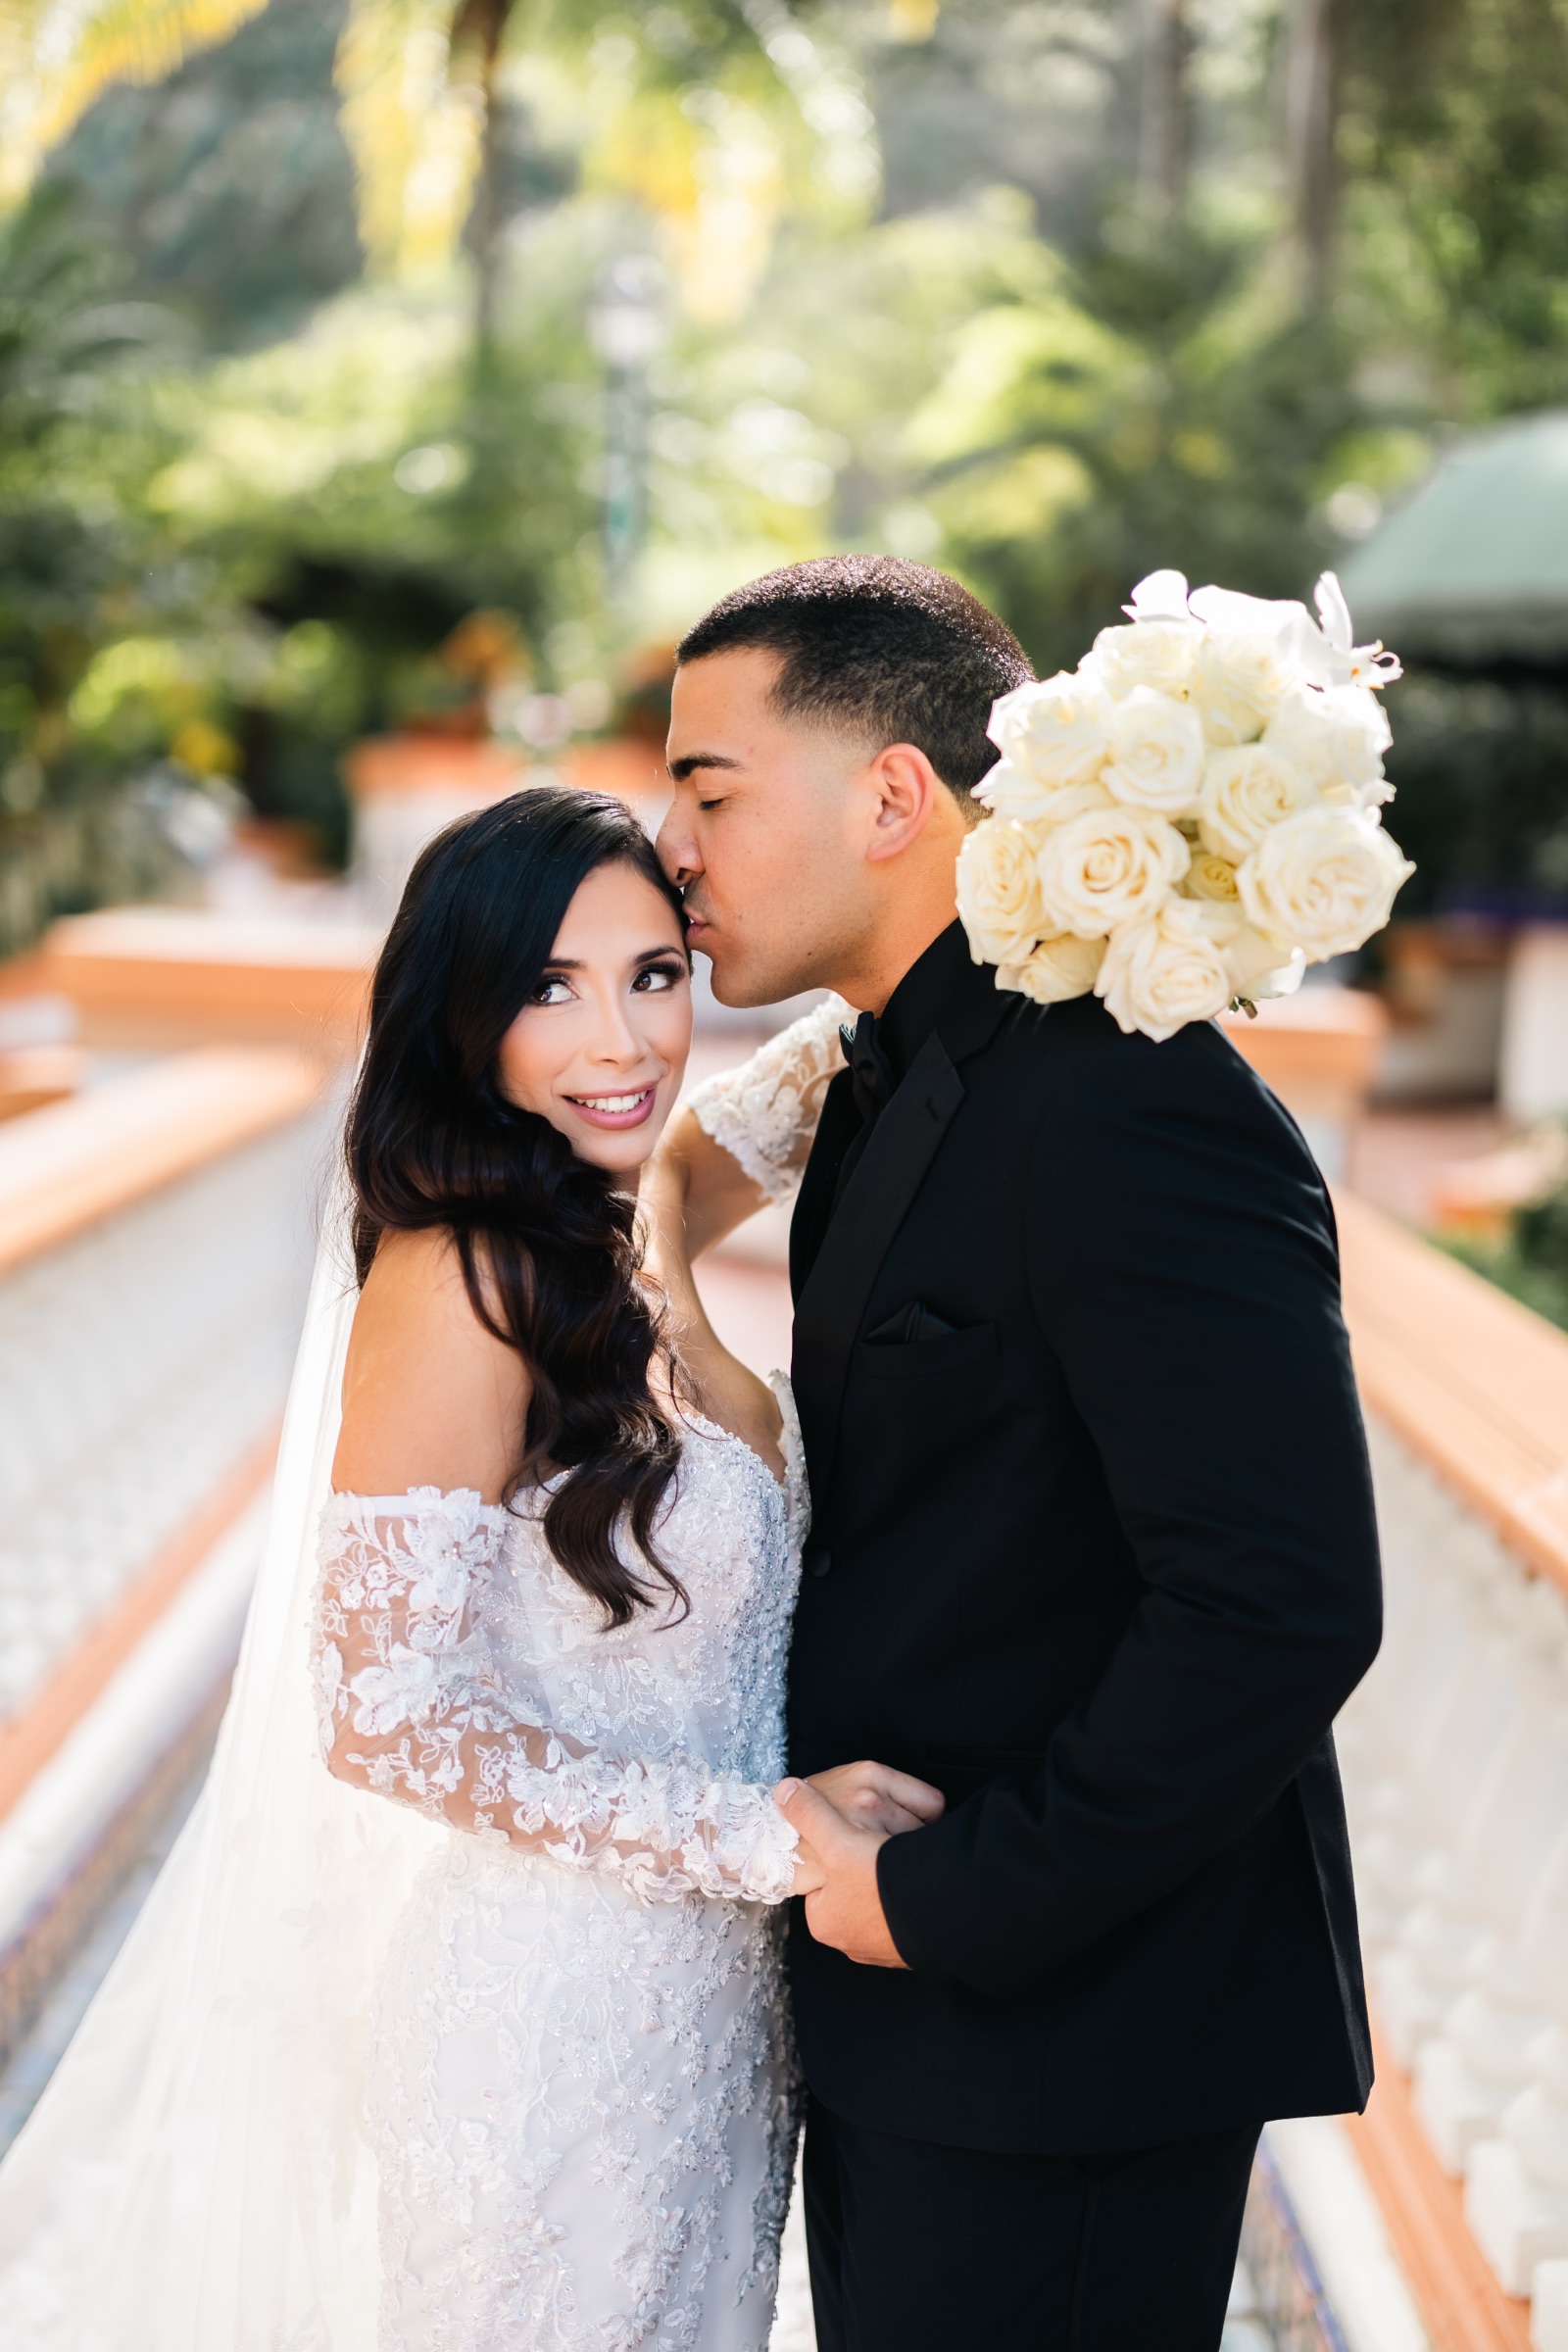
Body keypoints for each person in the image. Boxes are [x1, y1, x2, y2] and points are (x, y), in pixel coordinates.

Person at [0, 784, 943, 2352]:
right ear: (463, 1018)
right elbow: (383, 1716)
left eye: (653, 972)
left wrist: (1048, 889)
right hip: (550, 2028)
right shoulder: (465, 1273)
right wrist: (761, 1836)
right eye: (548, 990)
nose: (623, 1042)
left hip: (719, 2026)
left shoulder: (622, 1212)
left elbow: (826, 1064)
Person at [650, 556, 1384, 2352]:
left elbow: (1282, 1606)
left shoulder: (1136, 1106)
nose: (670, 839)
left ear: (895, 795)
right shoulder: (894, 1060)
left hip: (1068, 2036)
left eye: (709, 788)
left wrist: (942, 1901)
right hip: (925, 2028)